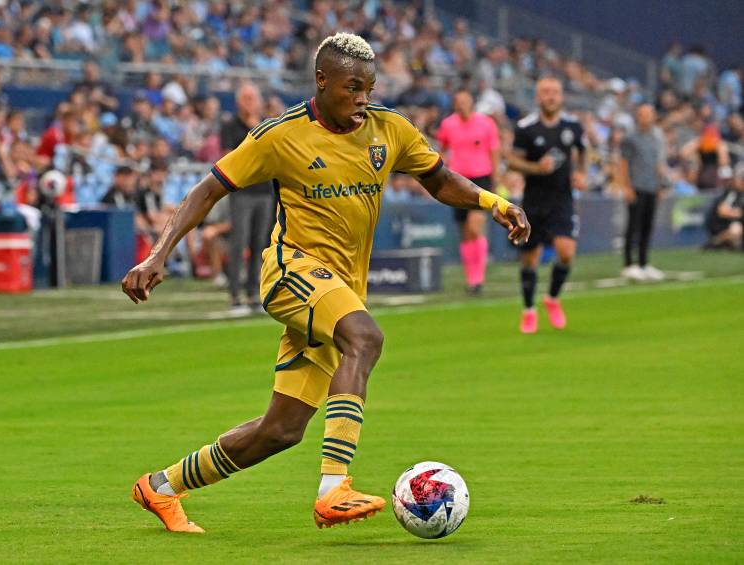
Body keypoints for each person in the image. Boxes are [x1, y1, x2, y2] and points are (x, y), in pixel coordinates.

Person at [122, 32, 529, 534]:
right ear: (322, 80)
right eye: (351, 87)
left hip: (340, 289)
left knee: (281, 430)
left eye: (369, 88)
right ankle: (334, 487)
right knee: (366, 337)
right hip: (290, 271)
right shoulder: (281, 134)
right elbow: (208, 189)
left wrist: (496, 203)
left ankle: (160, 487)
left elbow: (440, 179)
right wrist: (158, 254)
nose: (362, 98)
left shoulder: (389, 129)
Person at [507, 76, 587, 334]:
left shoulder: (573, 126)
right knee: (530, 258)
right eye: (546, 92)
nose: (551, 96)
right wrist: (535, 168)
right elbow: (513, 162)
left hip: (563, 198)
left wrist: (581, 173)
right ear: (538, 97)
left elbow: (583, 151)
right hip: (535, 200)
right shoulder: (526, 127)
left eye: (555, 91)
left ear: (561, 96)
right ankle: (529, 310)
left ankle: (552, 298)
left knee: (566, 252)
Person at [435, 88, 501, 294]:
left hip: (481, 178)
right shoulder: (448, 124)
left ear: (471, 102)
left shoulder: (486, 123)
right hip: (457, 180)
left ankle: (478, 278)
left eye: (465, 101)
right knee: (464, 232)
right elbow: (442, 147)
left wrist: (495, 179)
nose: (462, 105)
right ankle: (472, 280)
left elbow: (494, 151)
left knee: (475, 227)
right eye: (458, 101)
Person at [219, 82, 275, 310]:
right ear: (238, 101)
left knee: (259, 243)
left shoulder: (266, 125)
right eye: (246, 98)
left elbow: (272, 154)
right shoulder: (230, 126)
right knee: (239, 242)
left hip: (264, 190)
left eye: (253, 98)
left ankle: (253, 292)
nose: (250, 102)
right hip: (242, 191)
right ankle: (234, 293)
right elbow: (229, 158)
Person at [619, 104, 668, 282]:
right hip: (636, 186)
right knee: (633, 226)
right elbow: (623, 163)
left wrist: (661, 185)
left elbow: (659, 163)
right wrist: (626, 186)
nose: (646, 118)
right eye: (643, 114)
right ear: (637, 116)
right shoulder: (630, 138)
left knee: (647, 226)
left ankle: (643, 263)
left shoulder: (657, 137)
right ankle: (628, 264)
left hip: (652, 186)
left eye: (649, 114)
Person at [705, 163, 744, 250]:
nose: (742, 182)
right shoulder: (731, 193)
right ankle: (715, 242)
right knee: (736, 228)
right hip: (722, 225)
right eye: (741, 179)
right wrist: (738, 214)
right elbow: (722, 211)